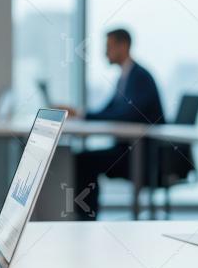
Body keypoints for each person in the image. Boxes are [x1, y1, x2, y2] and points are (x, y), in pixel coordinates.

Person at [65, 28, 165, 219]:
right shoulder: (124, 77)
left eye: (109, 47)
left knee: (84, 160)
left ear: (124, 46)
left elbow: (125, 114)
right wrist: (80, 113)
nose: (105, 53)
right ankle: (85, 218)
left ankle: (86, 221)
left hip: (143, 157)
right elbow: (108, 111)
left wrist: (83, 115)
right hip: (127, 151)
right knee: (83, 159)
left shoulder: (140, 77)